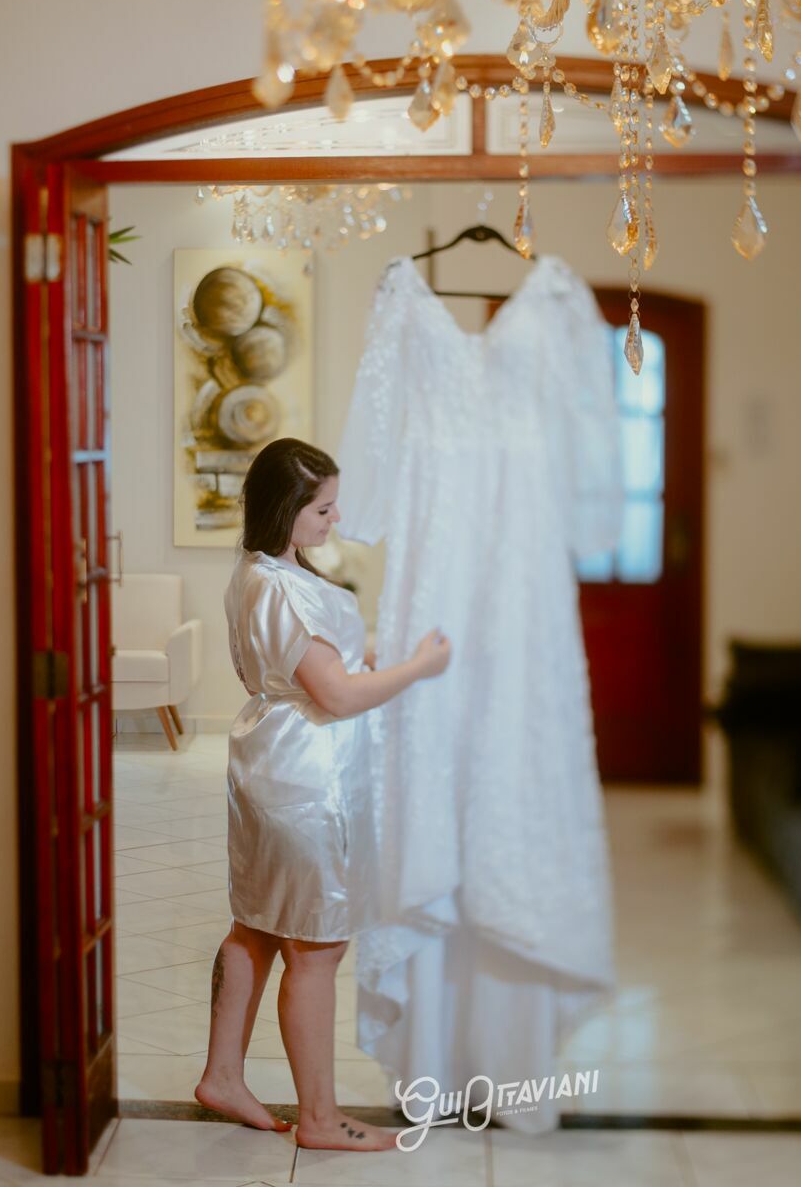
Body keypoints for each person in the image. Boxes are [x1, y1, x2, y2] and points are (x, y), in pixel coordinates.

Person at [194, 437, 451, 1152]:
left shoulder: (254, 572)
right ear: (286, 508)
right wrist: (417, 668)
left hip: (270, 764)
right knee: (317, 948)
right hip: (306, 781)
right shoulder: (279, 585)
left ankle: (222, 1075)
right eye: (323, 508)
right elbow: (333, 694)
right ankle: (319, 1118)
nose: (333, 520)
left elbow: (267, 677)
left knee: (257, 925)